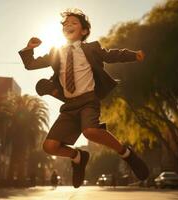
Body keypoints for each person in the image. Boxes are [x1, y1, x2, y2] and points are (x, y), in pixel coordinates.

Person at [19, 8, 149, 189]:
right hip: (69, 106)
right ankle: (78, 157)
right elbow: (31, 65)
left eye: (73, 23)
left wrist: (133, 55)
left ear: (84, 31)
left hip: (89, 100)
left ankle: (127, 154)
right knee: (49, 146)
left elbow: (111, 55)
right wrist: (29, 49)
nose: (68, 26)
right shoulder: (56, 52)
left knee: (90, 131)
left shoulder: (91, 48)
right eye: (65, 24)